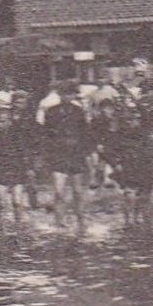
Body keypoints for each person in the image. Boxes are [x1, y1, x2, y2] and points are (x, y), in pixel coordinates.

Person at [42, 80, 90, 233]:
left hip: (75, 154)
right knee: (58, 191)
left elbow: (85, 134)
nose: (67, 97)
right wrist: (47, 155)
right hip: (58, 154)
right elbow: (47, 136)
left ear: (74, 95)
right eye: (64, 93)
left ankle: (81, 221)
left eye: (70, 93)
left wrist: (84, 154)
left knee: (77, 191)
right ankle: (59, 223)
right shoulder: (51, 112)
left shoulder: (79, 112)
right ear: (60, 95)